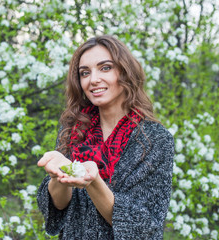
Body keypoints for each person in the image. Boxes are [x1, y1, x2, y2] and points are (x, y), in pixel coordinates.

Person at [36, 35, 174, 239]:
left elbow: (145, 227)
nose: (93, 79)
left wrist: (94, 182)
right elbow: (57, 207)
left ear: (125, 72)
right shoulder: (74, 130)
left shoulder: (154, 139)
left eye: (105, 68)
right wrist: (58, 176)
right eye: (85, 73)